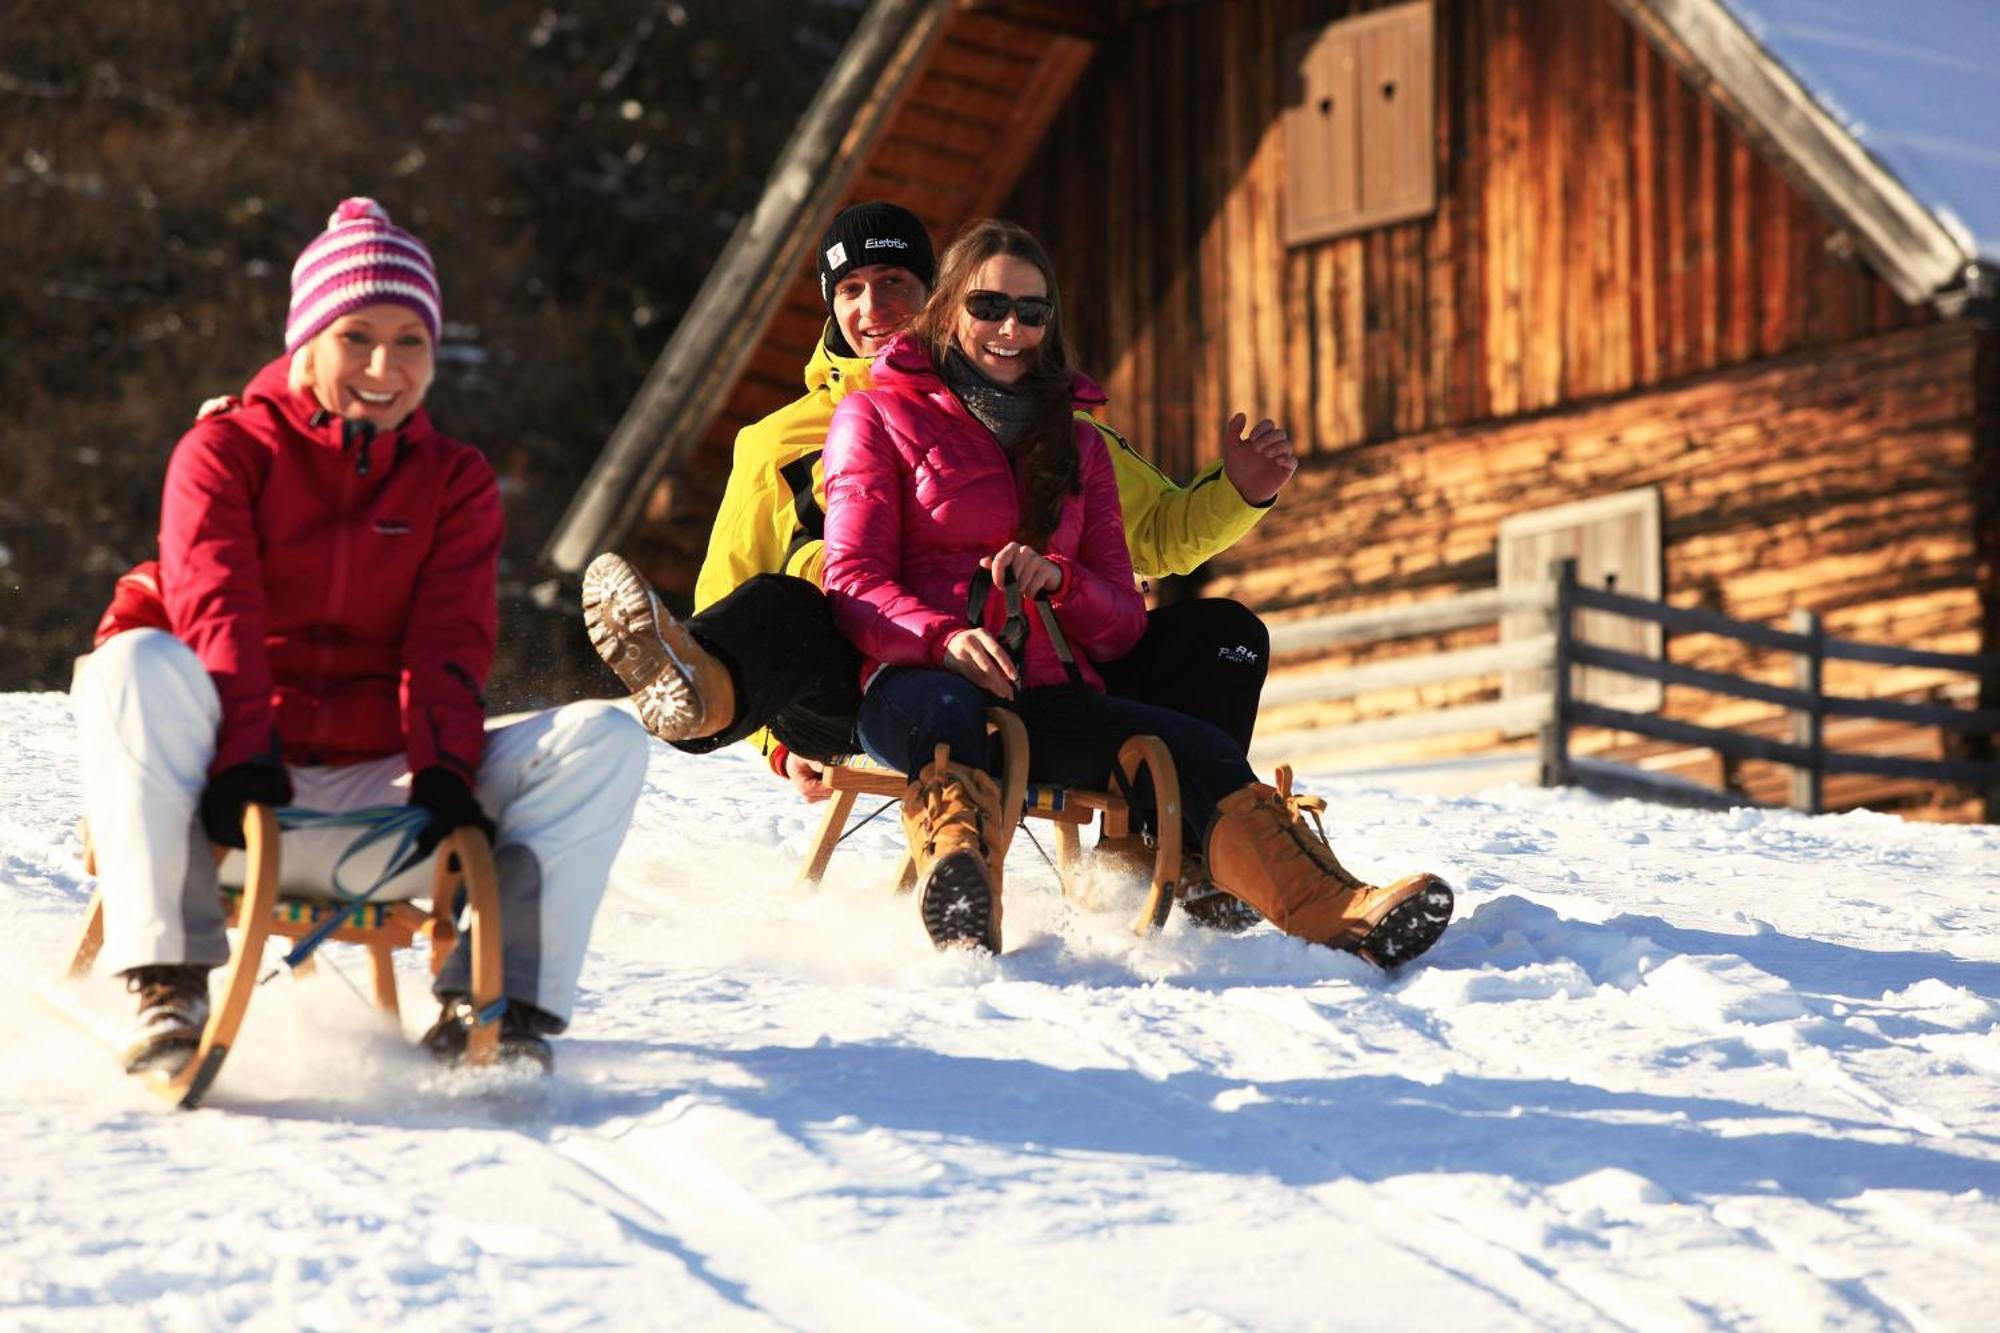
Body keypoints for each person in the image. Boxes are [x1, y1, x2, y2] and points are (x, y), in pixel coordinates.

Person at [583, 201, 1294, 921]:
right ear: (829, 307)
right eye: (850, 290)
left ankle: (1181, 850)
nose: (873, 306)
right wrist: (774, 738)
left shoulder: (1042, 418)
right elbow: (730, 586)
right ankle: (706, 698)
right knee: (794, 594)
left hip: (1022, 664)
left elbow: (1159, 536)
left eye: (894, 281)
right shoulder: (777, 441)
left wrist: (1240, 492)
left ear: (940, 293)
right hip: (856, 675)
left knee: (1224, 634)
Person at [73, 198, 650, 1077]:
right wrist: (240, 752)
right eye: (357, 336)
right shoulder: (226, 452)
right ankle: (167, 982)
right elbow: (216, 610)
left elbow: (450, 643)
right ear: (307, 338)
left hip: (381, 798)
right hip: (223, 798)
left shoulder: (452, 480)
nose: (385, 366)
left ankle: (496, 1006)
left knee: (604, 736)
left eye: (410, 340)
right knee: (136, 661)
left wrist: (448, 775)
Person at [820, 218, 1454, 963]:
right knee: (947, 713)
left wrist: (1064, 582)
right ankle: (961, 886)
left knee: (1195, 746)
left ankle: (1339, 910)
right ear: (950, 305)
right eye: (989, 307)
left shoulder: (1082, 444)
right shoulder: (874, 414)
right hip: (917, 681)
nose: (1010, 329)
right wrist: (943, 637)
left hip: (1045, 689)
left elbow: (1122, 624)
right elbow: (853, 579)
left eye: (1032, 312)